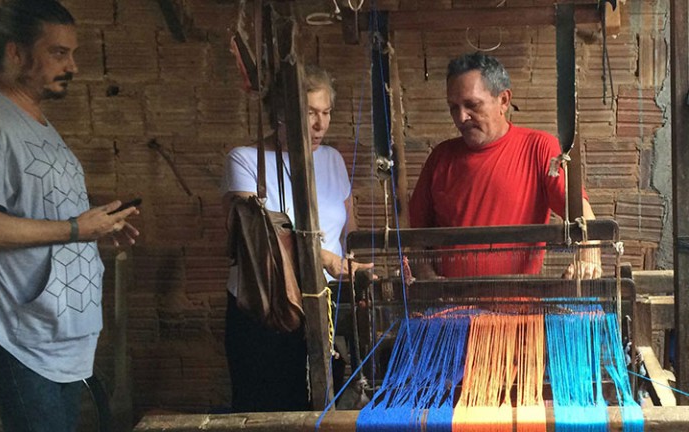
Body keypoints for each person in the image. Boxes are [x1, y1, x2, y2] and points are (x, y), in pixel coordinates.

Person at [0, 1, 139, 431]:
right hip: (17, 335)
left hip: (56, 332)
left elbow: (31, 219)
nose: (73, 66)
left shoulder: (36, 122)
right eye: (59, 53)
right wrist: (77, 228)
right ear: (15, 53)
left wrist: (94, 233)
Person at [221, 64, 371, 412]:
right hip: (266, 304)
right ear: (281, 115)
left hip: (323, 303)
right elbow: (255, 241)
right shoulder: (244, 160)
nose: (320, 125)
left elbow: (348, 230)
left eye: (326, 113)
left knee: (320, 404)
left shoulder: (332, 159)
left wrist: (357, 272)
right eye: (309, 114)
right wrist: (328, 260)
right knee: (267, 406)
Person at [408, 52, 600, 279]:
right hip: (450, 308)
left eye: (472, 105)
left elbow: (580, 211)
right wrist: (429, 283)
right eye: (453, 107)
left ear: (504, 100)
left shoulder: (539, 149)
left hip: (516, 307)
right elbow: (414, 237)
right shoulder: (440, 158)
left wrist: (588, 257)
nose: (461, 117)